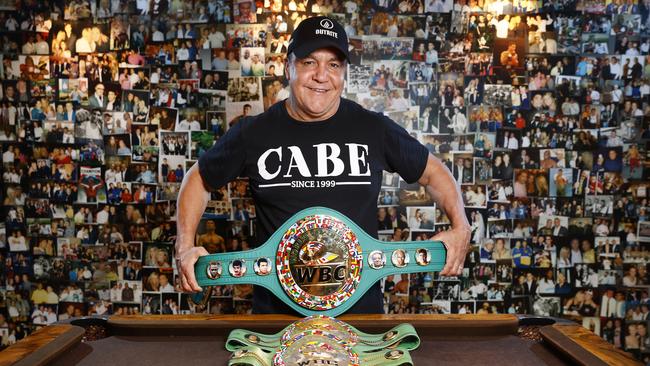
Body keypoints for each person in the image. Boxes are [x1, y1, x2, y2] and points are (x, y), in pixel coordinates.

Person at [175, 16, 470, 315]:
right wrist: (185, 246)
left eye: (333, 65)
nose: (321, 76)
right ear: (289, 67)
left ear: (343, 74)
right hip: (276, 324)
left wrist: (461, 226)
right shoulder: (253, 132)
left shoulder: (373, 129)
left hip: (360, 322)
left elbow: (434, 173)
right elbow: (197, 180)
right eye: (309, 62)